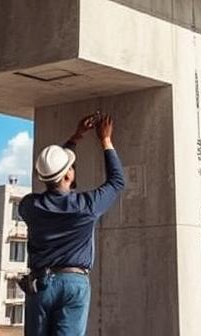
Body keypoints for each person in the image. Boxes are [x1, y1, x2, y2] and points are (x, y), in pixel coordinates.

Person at [18, 113, 124, 336]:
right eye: (71, 167)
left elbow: (54, 174)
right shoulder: (86, 207)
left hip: (40, 283)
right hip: (73, 283)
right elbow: (116, 182)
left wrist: (75, 138)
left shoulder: (30, 207)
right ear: (68, 175)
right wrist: (105, 140)